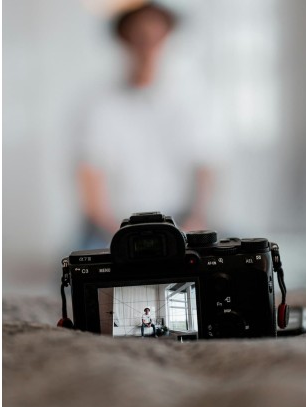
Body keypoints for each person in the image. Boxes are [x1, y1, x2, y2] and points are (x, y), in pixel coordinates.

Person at [77, 2, 218, 249]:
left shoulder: (194, 100)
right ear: (124, 40)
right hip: (114, 227)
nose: (148, 46)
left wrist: (194, 223)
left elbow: (206, 168)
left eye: (156, 37)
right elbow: (91, 187)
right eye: (141, 37)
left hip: (181, 223)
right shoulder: (98, 104)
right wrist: (122, 238)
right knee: (76, 265)